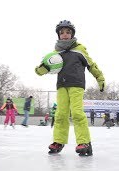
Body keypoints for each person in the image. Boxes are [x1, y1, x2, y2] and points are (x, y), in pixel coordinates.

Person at [35, 20, 105, 156]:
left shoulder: (79, 49)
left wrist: (100, 78)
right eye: (62, 33)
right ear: (58, 35)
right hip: (62, 85)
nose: (65, 35)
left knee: (77, 113)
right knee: (60, 114)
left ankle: (84, 142)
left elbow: (91, 65)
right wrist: (40, 69)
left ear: (72, 34)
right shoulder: (56, 53)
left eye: (68, 32)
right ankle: (58, 141)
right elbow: (44, 67)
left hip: (76, 85)